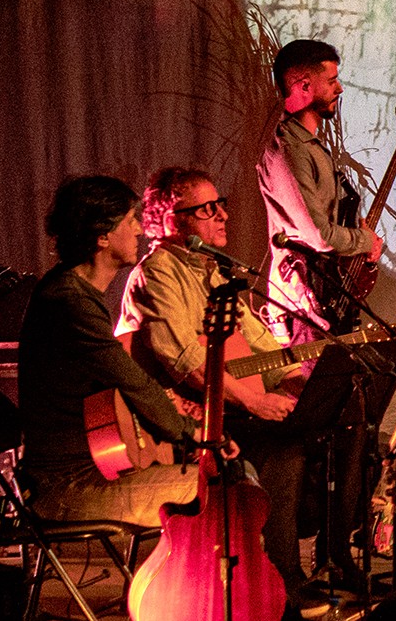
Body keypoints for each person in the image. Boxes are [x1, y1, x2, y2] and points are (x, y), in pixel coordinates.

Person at [114, 166, 321, 611]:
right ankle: (281, 584)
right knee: (284, 448)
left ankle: (334, 561)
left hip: (226, 409)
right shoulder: (158, 273)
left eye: (220, 204)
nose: (222, 215)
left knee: (342, 429)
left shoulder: (216, 273)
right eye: (206, 209)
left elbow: (268, 348)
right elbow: (185, 363)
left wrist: (293, 382)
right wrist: (256, 401)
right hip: (176, 424)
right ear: (170, 219)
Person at [17, 175, 200, 528]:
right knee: (220, 488)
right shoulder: (69, 301)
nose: (139, 230)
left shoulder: (71, 291)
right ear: (102, 236)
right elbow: (133, 383)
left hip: (95, 471)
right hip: (68, 487)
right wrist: (195, 435)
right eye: (130, 221)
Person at [261, 38, 384, 343]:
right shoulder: (290, 150)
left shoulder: (310, 147)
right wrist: (364, 240)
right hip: (302, 310)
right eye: (331, 81)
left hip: (321, 301)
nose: (339, 89)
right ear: (304, 86)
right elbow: (319, 236)